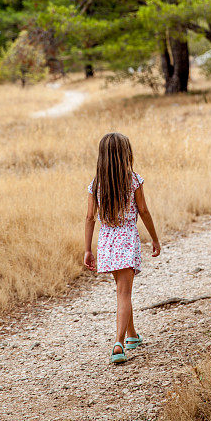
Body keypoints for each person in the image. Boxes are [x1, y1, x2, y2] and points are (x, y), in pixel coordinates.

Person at [84, 132, 161, 364]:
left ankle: (132, 336)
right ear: (125, 155)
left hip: (106, 242)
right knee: (124, 294)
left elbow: (89, 218)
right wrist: (155, 239)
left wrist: (88, 249)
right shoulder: (134, 180)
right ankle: (118, 344)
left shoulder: (96, 184)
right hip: (127, 240)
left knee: (121, 290)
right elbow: (144, 210)